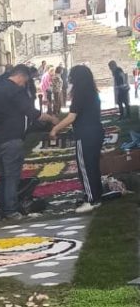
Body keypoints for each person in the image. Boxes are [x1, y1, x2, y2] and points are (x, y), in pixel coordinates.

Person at [0, 65, 52, 220]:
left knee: (3, 175)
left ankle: (2, 206)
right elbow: (30, 112)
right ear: (21, 77)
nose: (24, 85)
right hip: (12, 138)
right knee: (12, 176)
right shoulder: (16, 91)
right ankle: (10, 209)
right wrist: (50, 118)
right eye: (25, 82)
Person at [48, 64, 104, 211]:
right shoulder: (92, 92)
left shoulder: (80, 94)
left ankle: (91, 199)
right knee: (93, 166)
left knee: (85, 167)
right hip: (96, 132)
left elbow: (72, 117)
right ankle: (96, 195)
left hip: (85, 134)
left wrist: (55, 128)